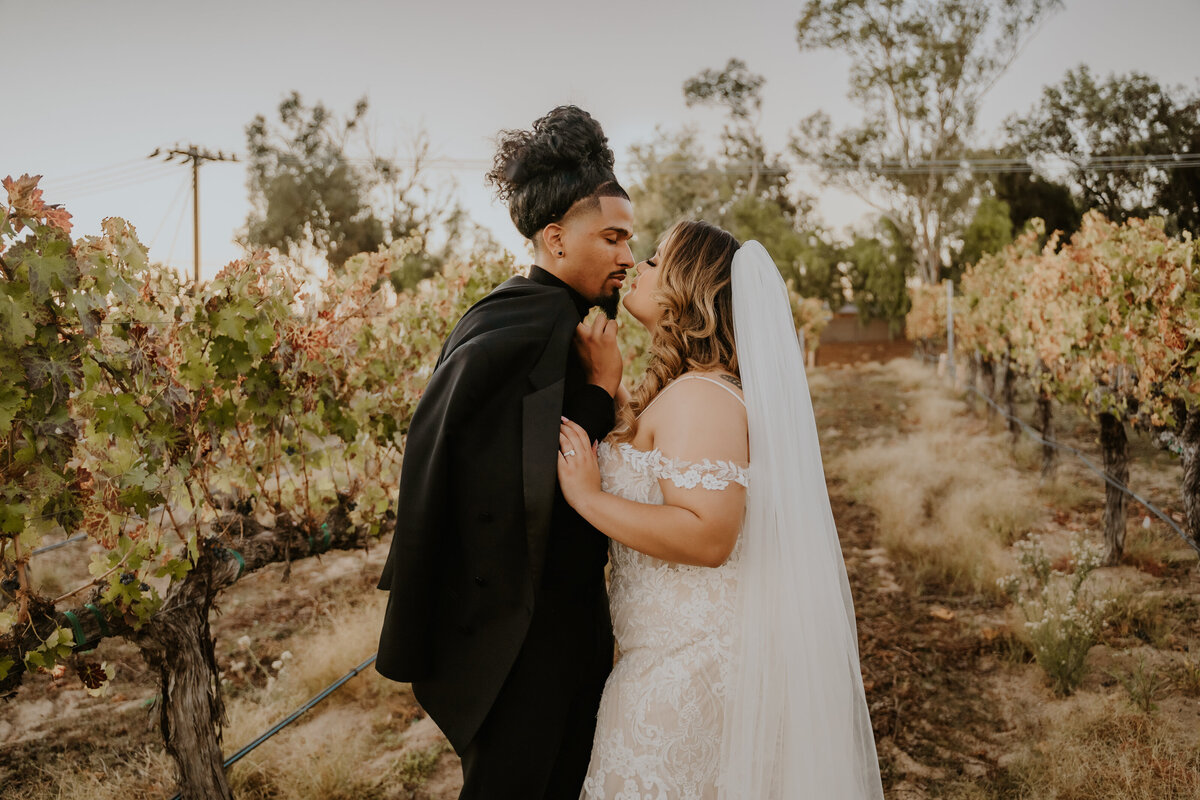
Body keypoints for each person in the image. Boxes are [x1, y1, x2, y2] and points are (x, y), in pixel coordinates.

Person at [557, 220, 886, 799]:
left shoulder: (703, 396)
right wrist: (610, 387)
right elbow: (665, 468)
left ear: (686, 286)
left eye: (656, 259)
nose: (639, 265)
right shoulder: (693, 388)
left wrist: (589, 498)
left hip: (687, 673)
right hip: (666, 659)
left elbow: (708, 535)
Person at [374, 105, 634, 800]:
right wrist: (603, 392)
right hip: (524, 640)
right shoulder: (525, 324)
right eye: (612, 237)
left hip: (563, 627)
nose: (628, 256)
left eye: (630, 239)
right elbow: (514, 481)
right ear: (555, 240)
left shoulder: (548, 319)